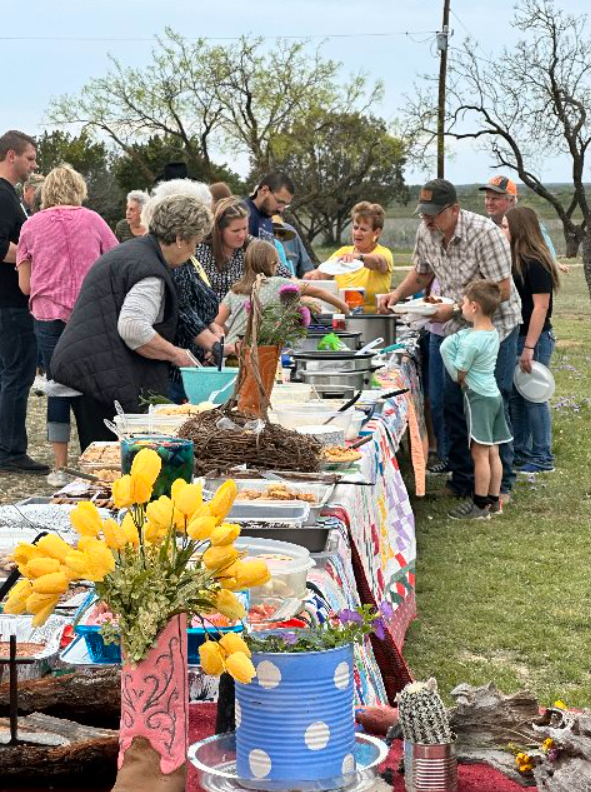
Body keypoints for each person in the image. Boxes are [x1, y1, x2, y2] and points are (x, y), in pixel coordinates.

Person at [378, 179, 522, 502]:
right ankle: (463, 479)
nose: (427, 220)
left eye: (433, 214)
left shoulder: (485, 233)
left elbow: (501, 290)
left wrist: (456, 308)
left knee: (491, 401)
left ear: (454, 209)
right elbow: (422, 273)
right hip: (456, 327)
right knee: (451, 402)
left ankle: (502, 485)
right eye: (423, 213)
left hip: (494, 326)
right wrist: (396, 295)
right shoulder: (426, 231)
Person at [50, 194, 212, 449]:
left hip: (90, 366)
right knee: (110, 458)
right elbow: (133, 329)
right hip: (98, 373)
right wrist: (177, 354)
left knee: (103, 455)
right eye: (196, 242)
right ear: (180, 239)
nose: (195, 251)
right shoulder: (150, 271)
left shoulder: (134, 253)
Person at [17, 164, 118, 485]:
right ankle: (99, 458)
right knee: (95, 386)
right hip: (90, 316)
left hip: (48, 316)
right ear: (79, 189)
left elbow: (25, 286)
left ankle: (60, 468)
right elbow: (116, 262)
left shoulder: (32, 225)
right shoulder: (94, 220)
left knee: (57, 388)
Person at [440, 280, 513, 519]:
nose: (461, 306)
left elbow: (459, 374)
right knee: (493, 450)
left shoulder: (471, 342)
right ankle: (494, 500)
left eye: (463, 303)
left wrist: (446, 350)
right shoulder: (492, 332)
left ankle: (480, 505)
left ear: (474, 307)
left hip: (478, 398)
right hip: (493, 396)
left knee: (479, 453)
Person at [0, 130, 49, 475]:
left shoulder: (10, 195)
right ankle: (10, 450)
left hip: (11, 302)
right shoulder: (3, 196)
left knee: (10, 375)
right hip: (11, 304)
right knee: (17, 377)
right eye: (30, 158)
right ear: (11, 156)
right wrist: (33, 258)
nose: (33, 165)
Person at [502, 206, 560, 474]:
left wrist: (529, 347)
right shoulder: (514, 260)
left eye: (505, 226)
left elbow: (541, 307)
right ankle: (521, 451)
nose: (502, 230)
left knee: (534, 397)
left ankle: (542, 456)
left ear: (519, 229)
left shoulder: (536, 262)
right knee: (517, 396)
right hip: (518, 336)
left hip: (533, 338)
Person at [215, 239, 350, 344]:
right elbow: (317, 292)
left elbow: (216, 322)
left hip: (230, 350)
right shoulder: (279, 284)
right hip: (257, 353)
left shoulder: (236, 290)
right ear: (272, 265)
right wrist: (343, 307)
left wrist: (224, 336)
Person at [196, 197, 292, 302]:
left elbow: (286, 277)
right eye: (235, 230)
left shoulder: (254, 247)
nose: (242, 235)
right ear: (219, 229)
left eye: (245, 228)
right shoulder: (200, 250)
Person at [305, 201, 394, 310]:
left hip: (372, 317)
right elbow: (323, 273)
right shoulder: (343, 252)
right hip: (342, 317)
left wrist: (358, 257)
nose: (357, 233)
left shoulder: (384, 253)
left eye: (363, 229)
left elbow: (378, 262)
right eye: (355, 228)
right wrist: (312, 276)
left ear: (377, 232)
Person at [245, 173, 295, 242]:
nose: (281, 210)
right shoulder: (243, 214)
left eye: (285, 205)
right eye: (279, 202)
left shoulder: (268, 219)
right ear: (264, 191)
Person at [272, 214, 314, 278]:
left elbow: (307, 270)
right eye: (273, 232)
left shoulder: (289, 231)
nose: (277, 237)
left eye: (281, 233)